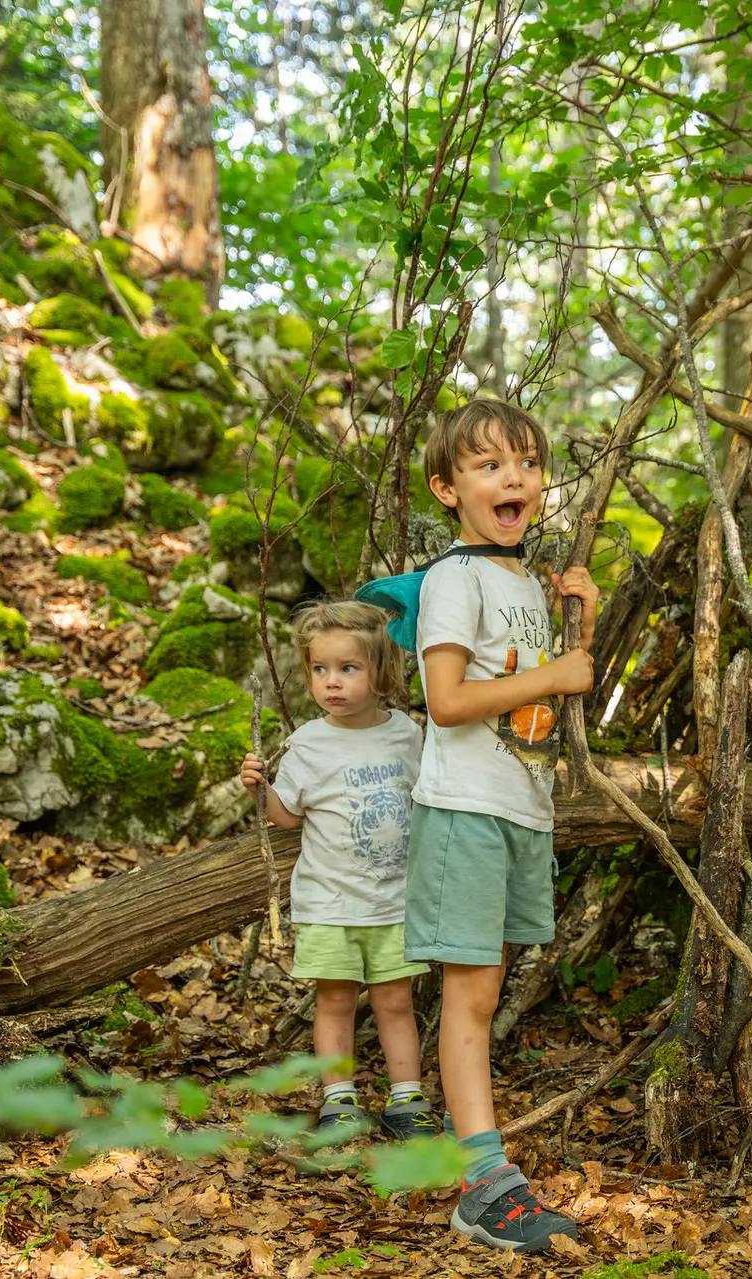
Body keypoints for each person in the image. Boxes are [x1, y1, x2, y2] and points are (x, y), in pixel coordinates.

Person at [404, 398, 599, 1253]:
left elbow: (551, 690)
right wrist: (556, 669)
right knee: (471, 995)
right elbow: (446, 703)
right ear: (448, 489)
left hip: (518, 806)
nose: (513, 476)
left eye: (525, 461)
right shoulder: (455, 577)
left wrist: (580, 624)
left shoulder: (523, 578)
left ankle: (485, 1171)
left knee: (484, 989)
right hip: (464, 811)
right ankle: (484, 1184)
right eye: (488, 466)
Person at [240, 601, 436, 1141]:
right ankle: (339, 1099)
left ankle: (406, 1100)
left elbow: (429, 798)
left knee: (396, 1003)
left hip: (394, 902)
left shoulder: (407, 735)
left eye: (348, 669)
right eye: (320, 670)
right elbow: (287, 817)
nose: (332, 683)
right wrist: (262, 790)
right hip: (329, 901)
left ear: (381, 671)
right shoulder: (309, 742)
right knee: (336, 1000)